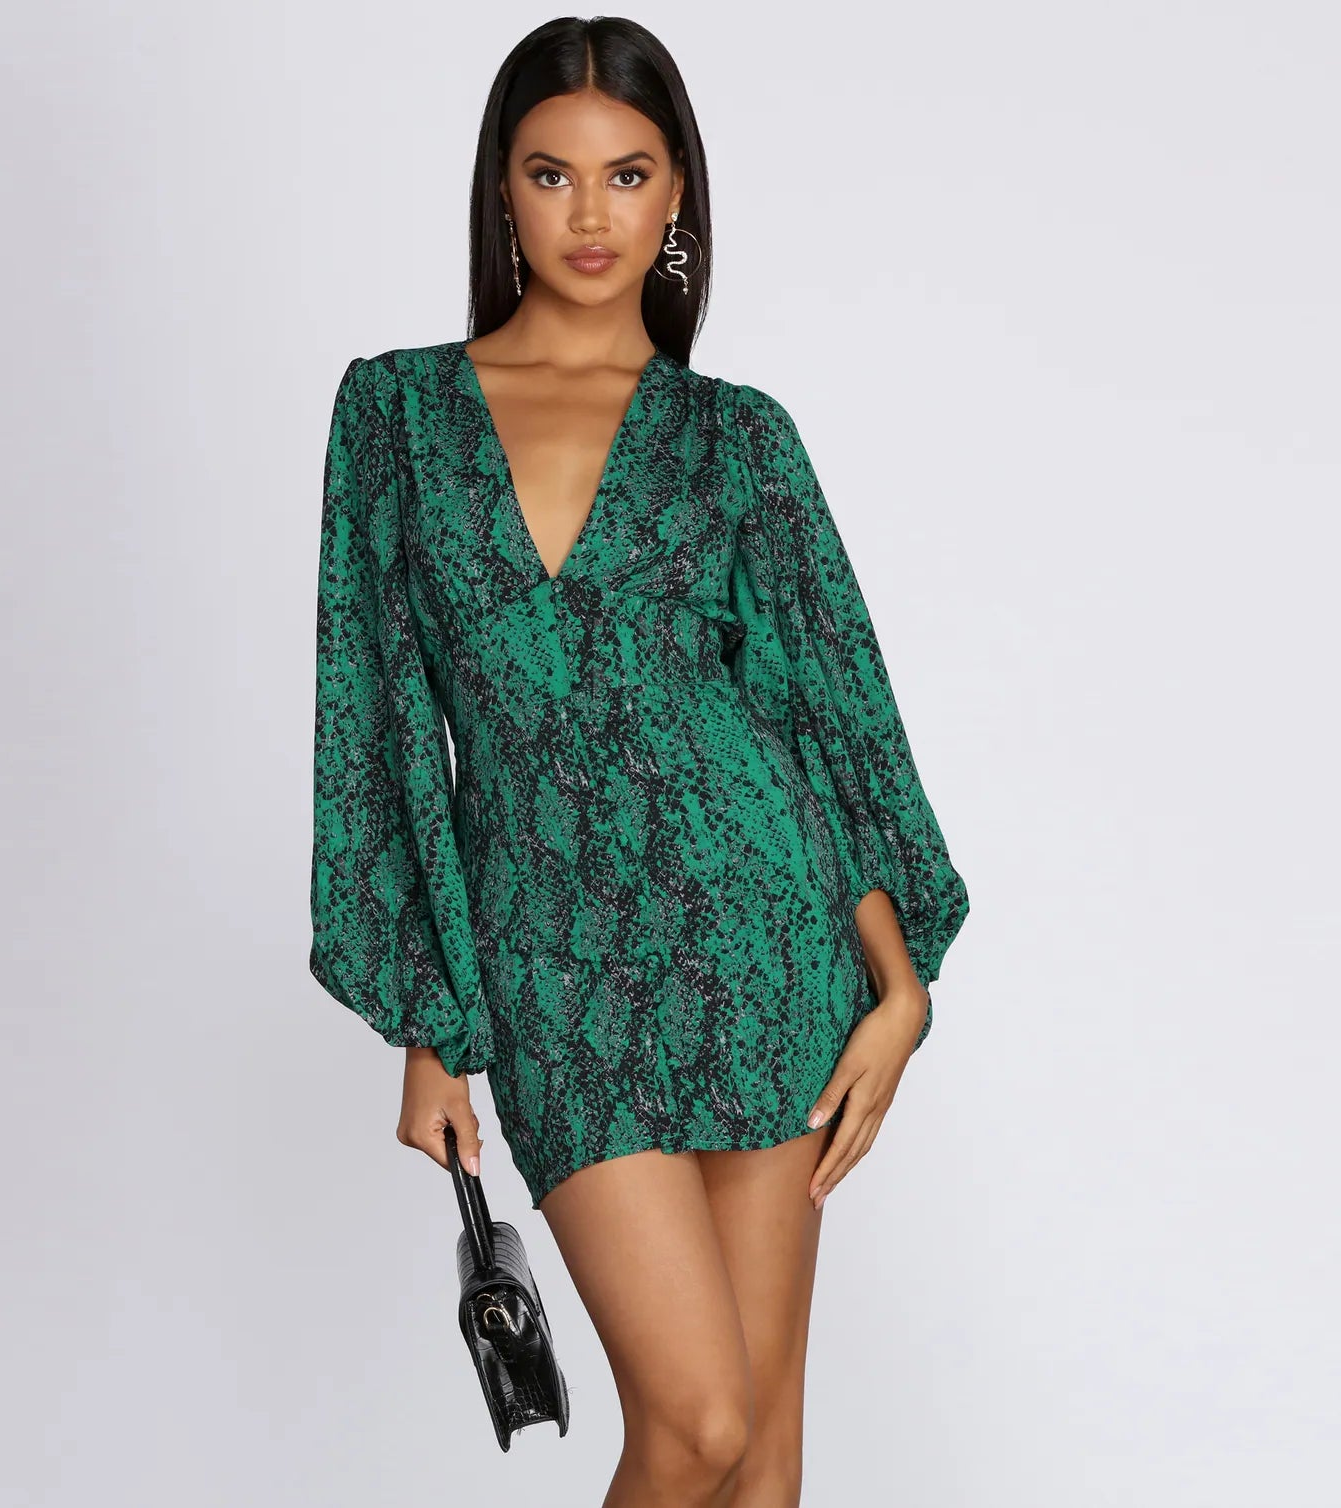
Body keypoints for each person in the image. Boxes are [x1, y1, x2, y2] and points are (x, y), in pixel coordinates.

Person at [309, 16, 969, 1504]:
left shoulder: (740, 440)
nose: (590, 214)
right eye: (552, 173)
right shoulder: (395, 416)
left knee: (763, 1460)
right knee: (698, 1423)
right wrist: (431, 1022)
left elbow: (827, 723)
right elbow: (378, 727)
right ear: (502, 188)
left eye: (628, 174)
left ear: (679, 196)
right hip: (552, 963)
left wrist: (899, 985)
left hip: (763, 945)